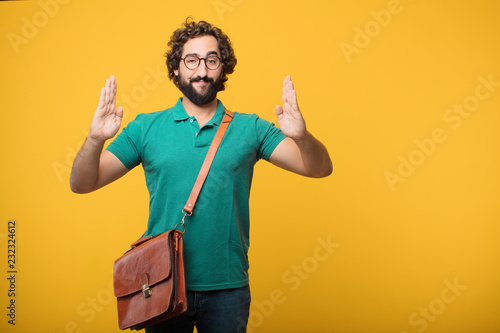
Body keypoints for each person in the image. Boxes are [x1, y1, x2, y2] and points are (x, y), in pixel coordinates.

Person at [70, 19, 332, 333]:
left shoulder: (251, 128)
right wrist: (96, 139)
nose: (202, 70)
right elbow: (82, 184)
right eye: (191, 60)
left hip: (229, 288)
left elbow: (318, 169)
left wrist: (302, 137)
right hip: (161, 283)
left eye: (211, 59)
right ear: (177, 68)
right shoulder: (145, 128)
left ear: (223, 67)